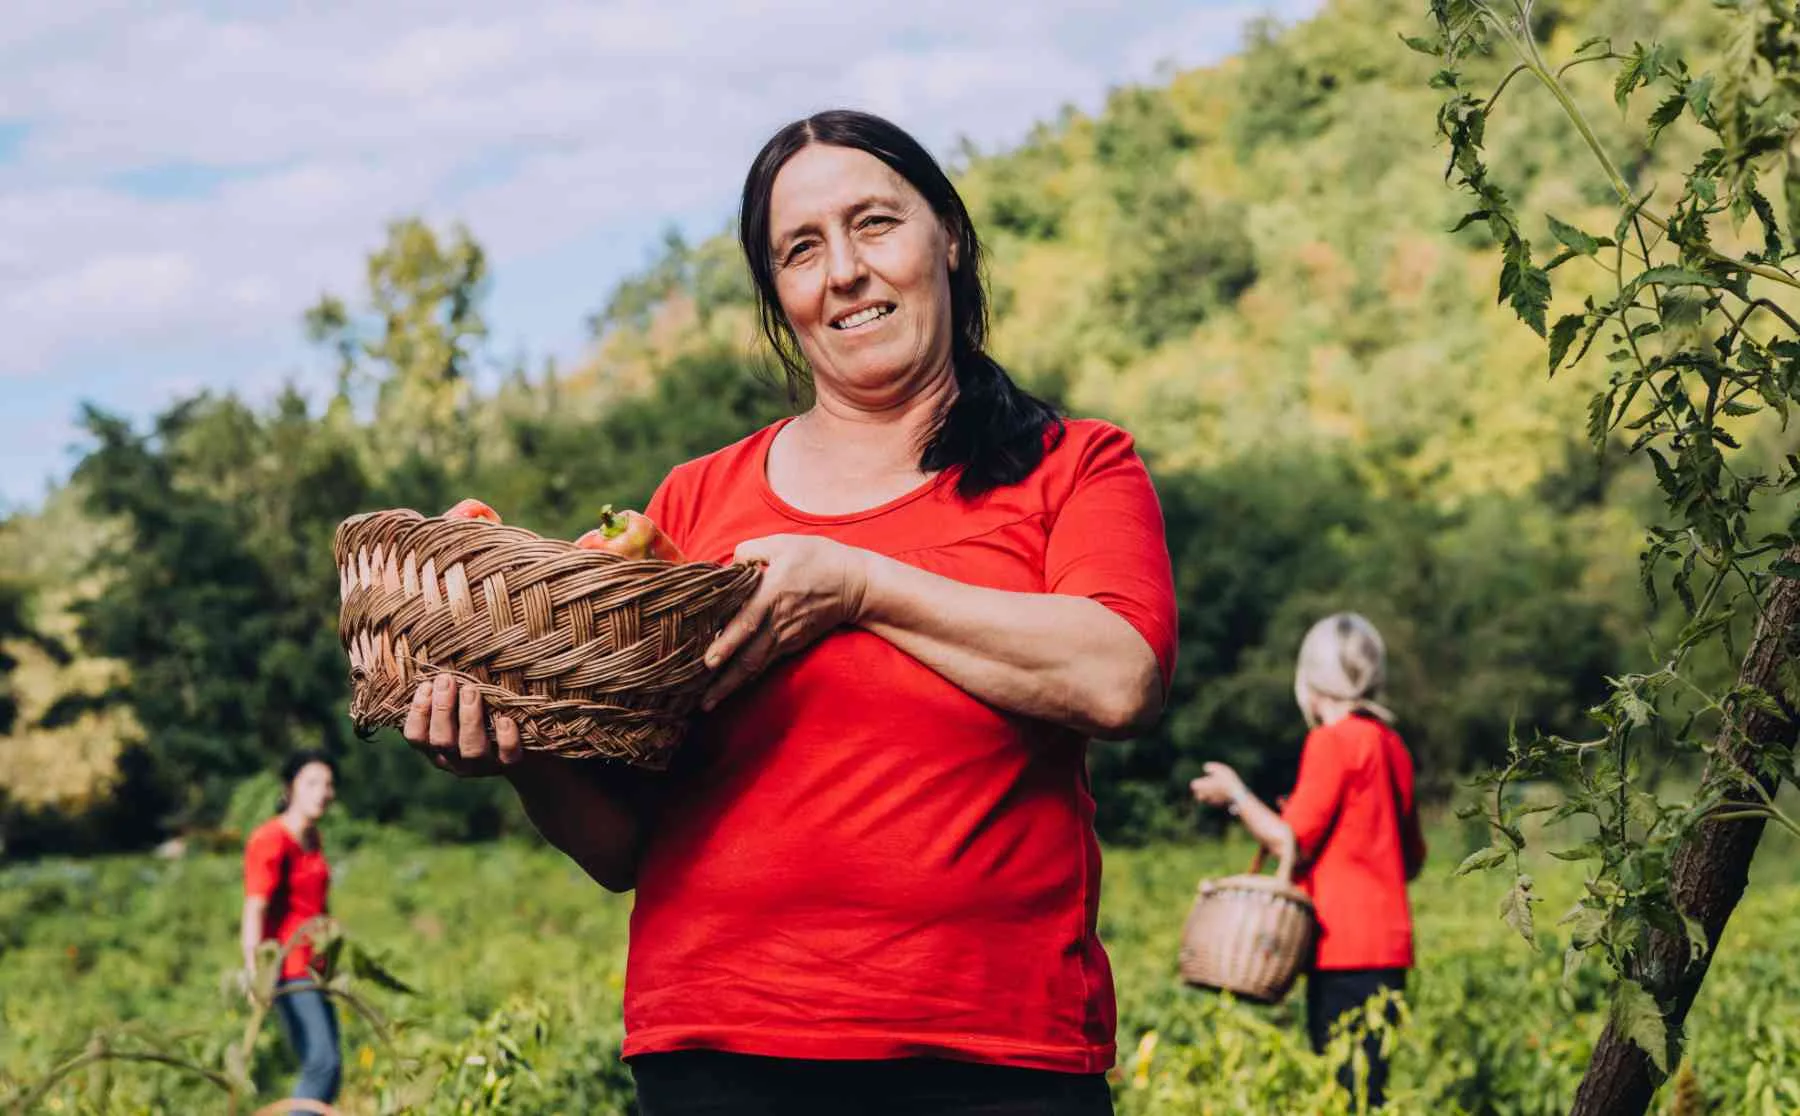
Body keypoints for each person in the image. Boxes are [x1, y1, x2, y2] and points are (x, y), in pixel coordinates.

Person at [401, 108, 1179, 1115]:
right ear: (780, 297)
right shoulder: (691, 506)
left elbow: (1120, 677)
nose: (845, 271)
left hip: (991, 1060)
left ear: (949, 235)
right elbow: (624, 847)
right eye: (801, 250)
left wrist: (857, 585)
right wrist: (524, 759)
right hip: (720, 1054)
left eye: (874, 224)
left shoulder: (1073, 466)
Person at [1188, 612, 1426, 1110]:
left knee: (1339, 1095)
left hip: (1340, 948)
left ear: (1310, 684)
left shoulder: (1332, 741)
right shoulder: (1391, 744)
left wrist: (1235, 795)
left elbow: (1287, 841)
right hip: (1388, 950)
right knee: (1368, 1091)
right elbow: (1412, 857)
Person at [242, 751, 342, 1106]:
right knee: (322, 1063)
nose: (322, 792)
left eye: (328, 784)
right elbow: (255, 908)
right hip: (289, 968)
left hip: (316, 967)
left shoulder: (313, 838)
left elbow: (317, 906)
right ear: (290, 789)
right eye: (312, 782)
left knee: (332, 1066)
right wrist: (257, 974)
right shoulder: (271, 838)